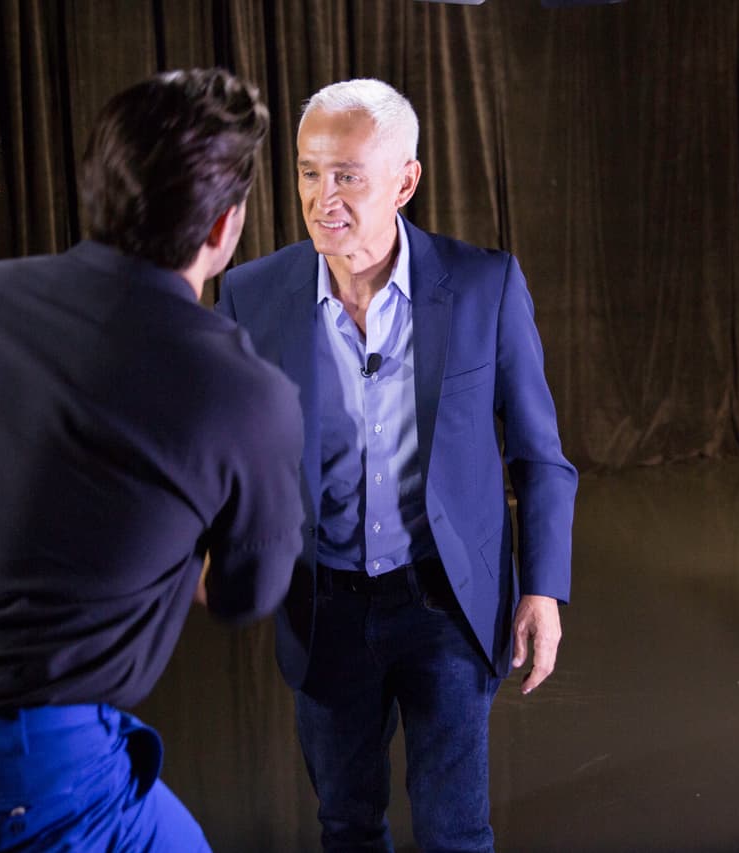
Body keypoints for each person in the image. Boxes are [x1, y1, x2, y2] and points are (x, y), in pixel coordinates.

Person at [0, 67, 304, 852]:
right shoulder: (243, 388)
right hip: (6, 770)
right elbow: (247, 591)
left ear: (98, 193)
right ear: (224, 229)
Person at [217, 78, 578, 852]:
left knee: (454, 830)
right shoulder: (252, 295)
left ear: (405, 181)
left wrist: (543, 589)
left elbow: (540, 455)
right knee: (346, 823)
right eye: (310, 173)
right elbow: (215, 450)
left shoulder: (485, 285)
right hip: (324, 607)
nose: (323, 197)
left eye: (347, 174)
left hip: (445, 598)